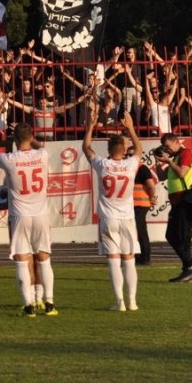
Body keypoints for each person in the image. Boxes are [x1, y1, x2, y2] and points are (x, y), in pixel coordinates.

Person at [0, 124, 56, 317]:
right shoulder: (43, 155)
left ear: (14, 140)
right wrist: (28, 136)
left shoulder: (9, 160)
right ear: (31, 135)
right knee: (44, 259)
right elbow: (39, 145)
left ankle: (29, 305)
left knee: (22, 261)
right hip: (40, 214)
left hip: (20, 215)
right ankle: (49, 303)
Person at [83, 111, 142, 311]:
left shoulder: (103, 164)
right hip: (127, 217)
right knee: (129, 258)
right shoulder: (130, 164)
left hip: (108, 218)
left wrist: (90, 126)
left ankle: (119, 303)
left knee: (113, 259)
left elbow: (86, 148)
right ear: (124, 149)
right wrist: (131, 128)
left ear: (108, 149)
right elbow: (139, 150)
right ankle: (132, 301)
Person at [155, 133, 192, 282]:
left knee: (173, 235)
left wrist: (169, 162)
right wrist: (159, 161)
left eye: (168, 146)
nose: (167, 150)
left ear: (176, 141)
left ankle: (190, 266)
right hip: (179, 202)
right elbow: (160, 176)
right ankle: (188, 270)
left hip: (187, 199)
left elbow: (182, 173)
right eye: (164, 147)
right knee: (182, 236)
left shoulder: (186, 153)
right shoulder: (175, 159)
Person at [131, 146, 157, 265]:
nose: (128, 156)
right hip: (135, 204)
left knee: (138, 229)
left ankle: (143, 257)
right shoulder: (132, 168)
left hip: (141, 204)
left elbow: (151, 185)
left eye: (131, 154)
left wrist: (151, 198)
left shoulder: (142, 168)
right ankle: (143, 256)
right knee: (141, 230)